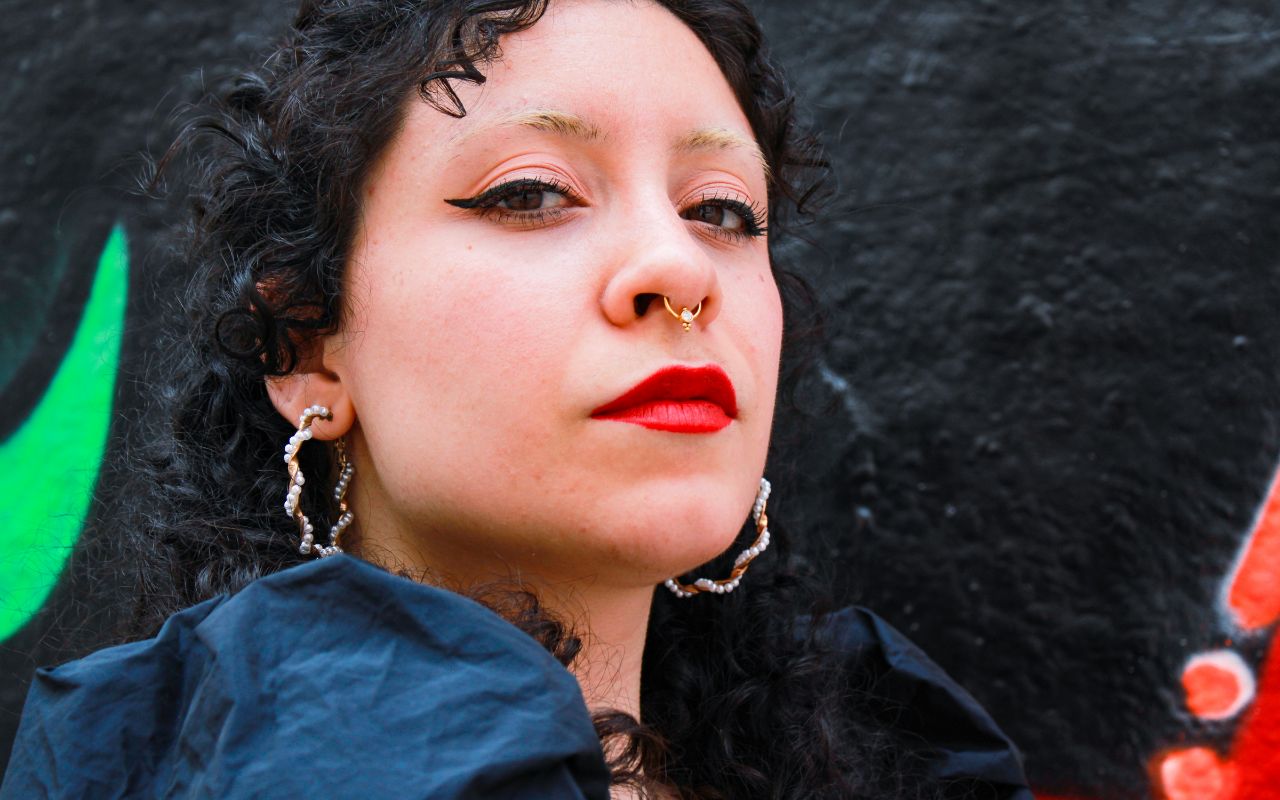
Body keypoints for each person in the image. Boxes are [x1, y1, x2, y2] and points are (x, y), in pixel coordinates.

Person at [1, 1, 1034, 797]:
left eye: (722, 210)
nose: (680, 269)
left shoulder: (904, 759)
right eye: (531, 193)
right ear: (310, 345)